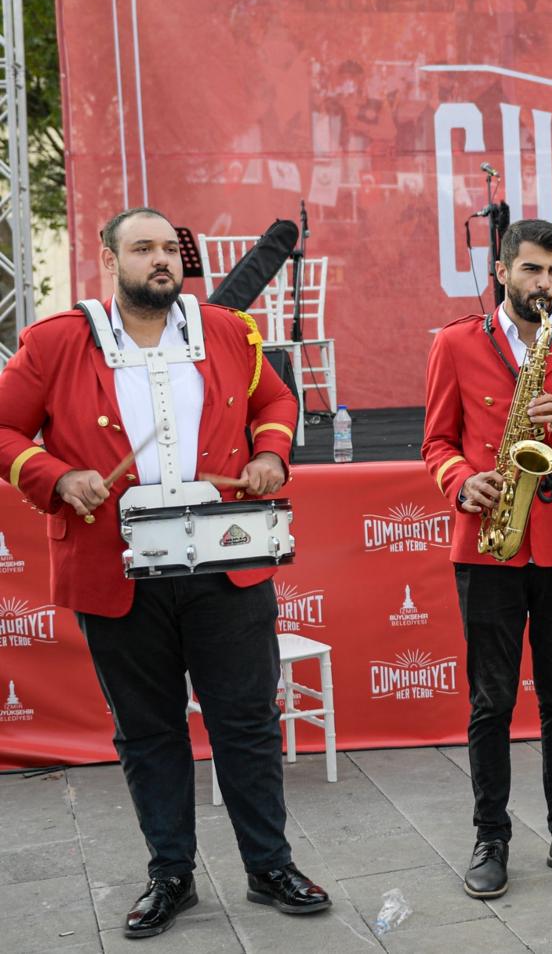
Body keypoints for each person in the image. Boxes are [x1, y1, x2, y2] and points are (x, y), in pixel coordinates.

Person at [0, 207, 329, 938]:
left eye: (170, 250)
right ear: (108, 259)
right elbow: (4, 427)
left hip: (225, 565)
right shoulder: (55, 342)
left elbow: (275, 398)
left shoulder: (227, 331)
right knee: (149, 732)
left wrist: (270, 451)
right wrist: (56, 477)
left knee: (246, 723)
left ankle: (269, 867)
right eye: (142, 248)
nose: (161, 260)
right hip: (117, 570)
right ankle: (171, 875)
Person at [423, 218, 552, 899]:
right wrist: (462, 483)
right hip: (490, 544)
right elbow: (435, 443)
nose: (545, 283)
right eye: (532, 269)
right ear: (502, 272)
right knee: (491, 701)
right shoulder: (455, 343)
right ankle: (491, 836)